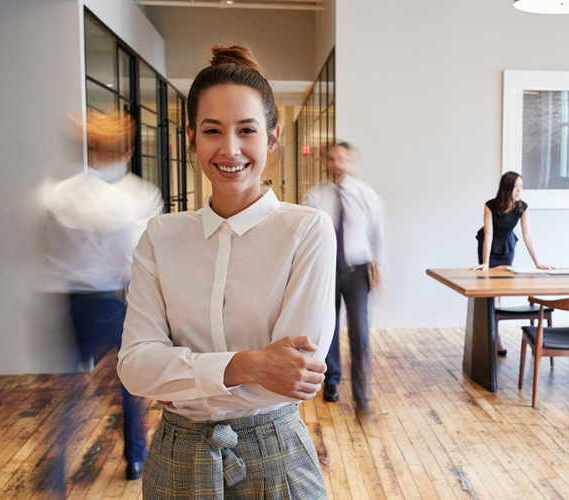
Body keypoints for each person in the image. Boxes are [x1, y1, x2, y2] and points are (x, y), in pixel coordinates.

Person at [117, 46, 335, 499]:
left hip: (274, 452)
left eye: (247, 130)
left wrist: (181, 378)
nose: (229, 149)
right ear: (192, 138)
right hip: (176, 458)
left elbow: (297, 374)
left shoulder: (306, 229)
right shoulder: (160, 236)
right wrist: (248, 364)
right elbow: (136, 368)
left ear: (272, 138)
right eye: (212, 130)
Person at [42, 110, 163, 486]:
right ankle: (135, 460)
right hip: (113, 302)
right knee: (130, 384)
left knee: (70, 392)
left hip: (71, 303)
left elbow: (50, 250)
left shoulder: (58, 195)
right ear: (127, 151)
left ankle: (57, 470)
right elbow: (136, 260)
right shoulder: (137, 199)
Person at [303, 142, 385, 411]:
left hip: (358, 270)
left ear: (350, 163)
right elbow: (306, 237)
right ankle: (332, 381)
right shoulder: (314, 197)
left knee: (359, 332)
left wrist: (379, 268)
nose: (337, 163)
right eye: (332, 159)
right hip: (326, 271)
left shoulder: (365, 194)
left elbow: (377, 233)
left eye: (342, 159)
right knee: (330, 328)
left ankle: (362, 393)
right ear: (326, 162)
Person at [470, 171, 553, 354]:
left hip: (507, 247)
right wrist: (485, 263)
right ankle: (495, 337)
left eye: (521, 187)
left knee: (499, 291)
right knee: (491, 293)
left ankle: (495, 334)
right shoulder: (490, 205)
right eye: (516, 186)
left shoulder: (522, 207)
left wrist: (538, 262)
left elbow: (527, 236)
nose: (519, 190)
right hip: (489, 247)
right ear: (507, 188)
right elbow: (489, 235)